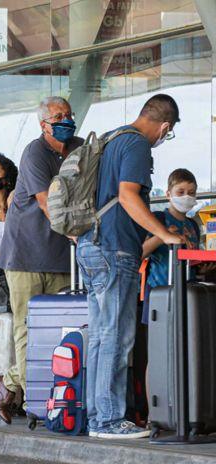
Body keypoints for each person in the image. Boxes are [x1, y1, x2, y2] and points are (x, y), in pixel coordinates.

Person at [77, 94, 184, 439]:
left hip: (91, 245)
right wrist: (163, 234)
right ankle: (108, 420)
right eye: (166, 134)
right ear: (164, 126)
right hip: (113, 248)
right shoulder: (138, 145)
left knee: (100, 335)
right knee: (115, 336)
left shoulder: (112, 139)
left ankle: (97, 416)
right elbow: (127, 195)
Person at [0, 97, 82, 424]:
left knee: (61, 329)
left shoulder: (78, 148)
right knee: (29, 327)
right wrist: (74, 231)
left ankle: (10, 380)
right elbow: (46, 201)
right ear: (44, 124)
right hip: (26, 253)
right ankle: (36, 400)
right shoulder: (35, 152)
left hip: (60, 254)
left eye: (69, 115)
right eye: (58, 116)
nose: (66, 120)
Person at [142, 169, 203, 313]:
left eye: (191, 193)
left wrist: (201, 268)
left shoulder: (194, 225)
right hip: (159, 292)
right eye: (180, 192)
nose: (186, 197)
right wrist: (163, 236)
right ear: (168, 194)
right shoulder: (157, 219)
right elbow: (140, 252)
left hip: (188, 294)